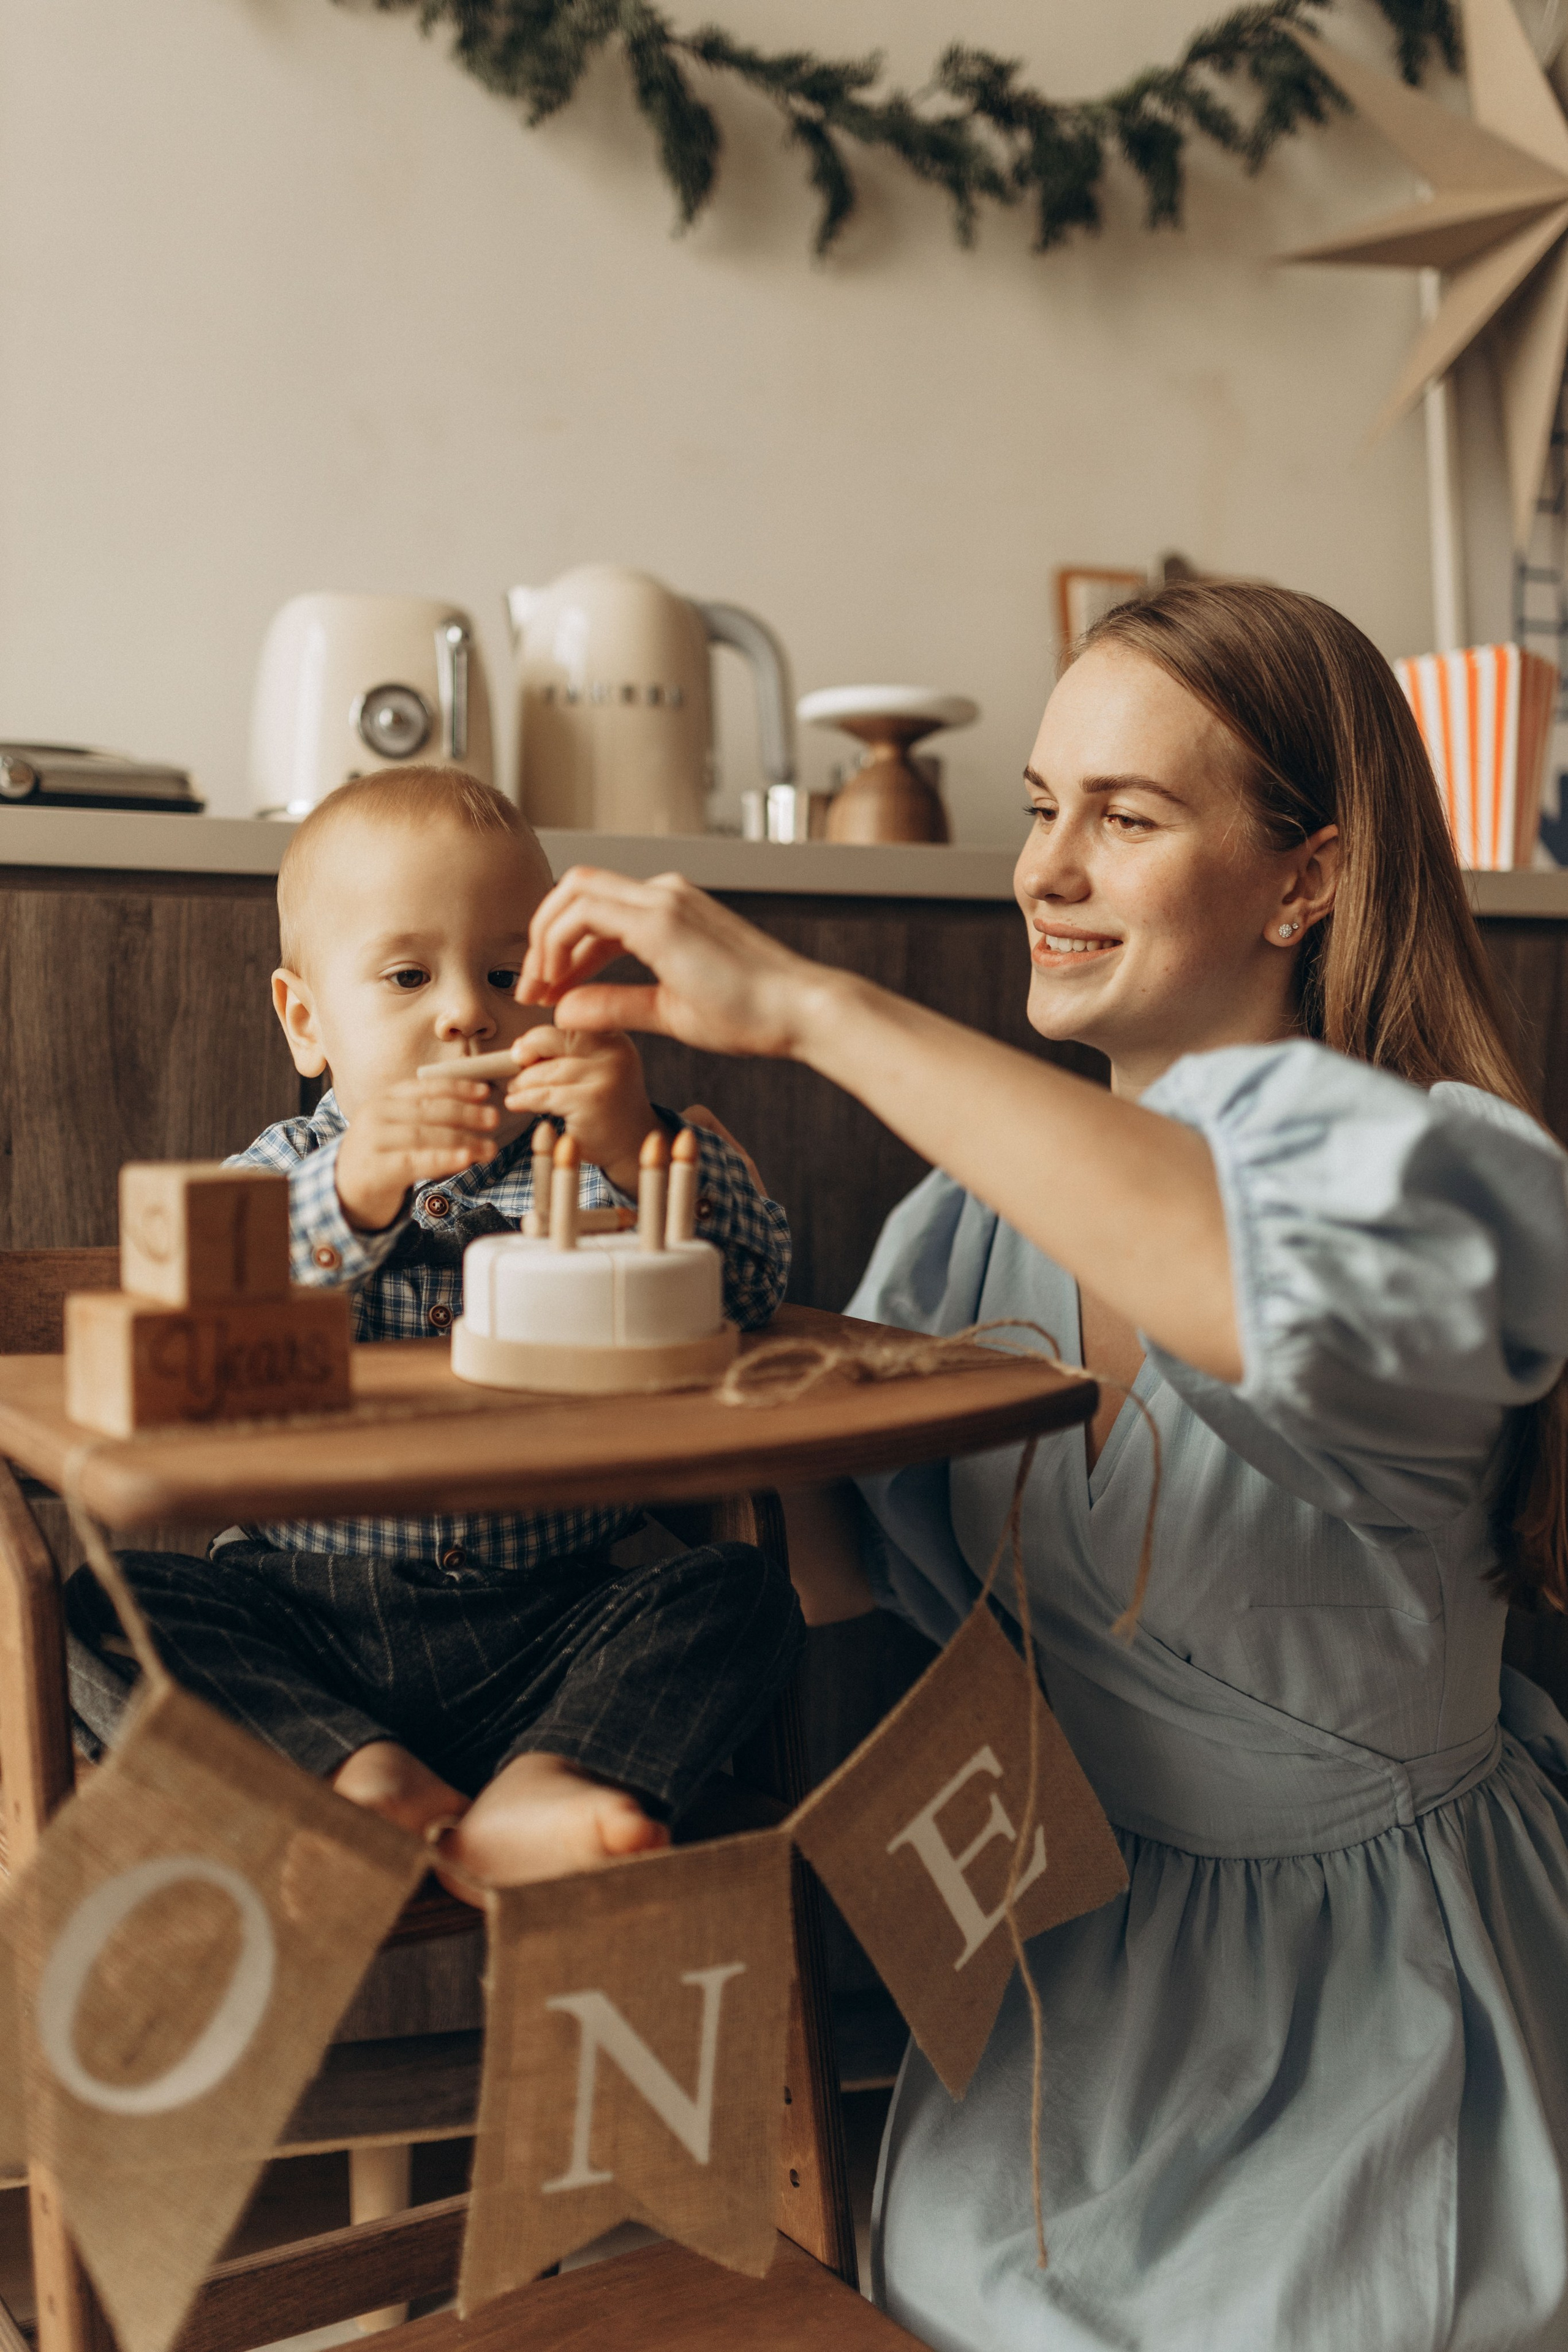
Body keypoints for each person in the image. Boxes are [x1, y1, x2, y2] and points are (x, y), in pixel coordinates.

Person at [515, 581, 1568, 2350]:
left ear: (1306, 877)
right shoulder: (960, 1226)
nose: (1045, 871)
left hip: (1390, 1999)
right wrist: (633, 1202)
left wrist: (814, 1010)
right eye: (1039, 806)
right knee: (952, 2300)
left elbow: (1245, 1270)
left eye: (1127, 817)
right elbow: (841, 1567)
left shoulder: (1452, 1175)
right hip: (1074, 1970)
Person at [67, 766, 801, 1891]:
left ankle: (555, 1780)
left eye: (509, 974)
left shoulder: (593, 1156)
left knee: (739, 1594)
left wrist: (628, 1138)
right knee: (103, 1609)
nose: (468, 1010)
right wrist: (357, 1194)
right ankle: (348, 1772)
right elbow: (186, 1315)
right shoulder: (287, 1172)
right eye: (408, 975)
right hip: (302, 1620)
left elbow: (755, 1289)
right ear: (308, 1022)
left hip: (552, 1626)